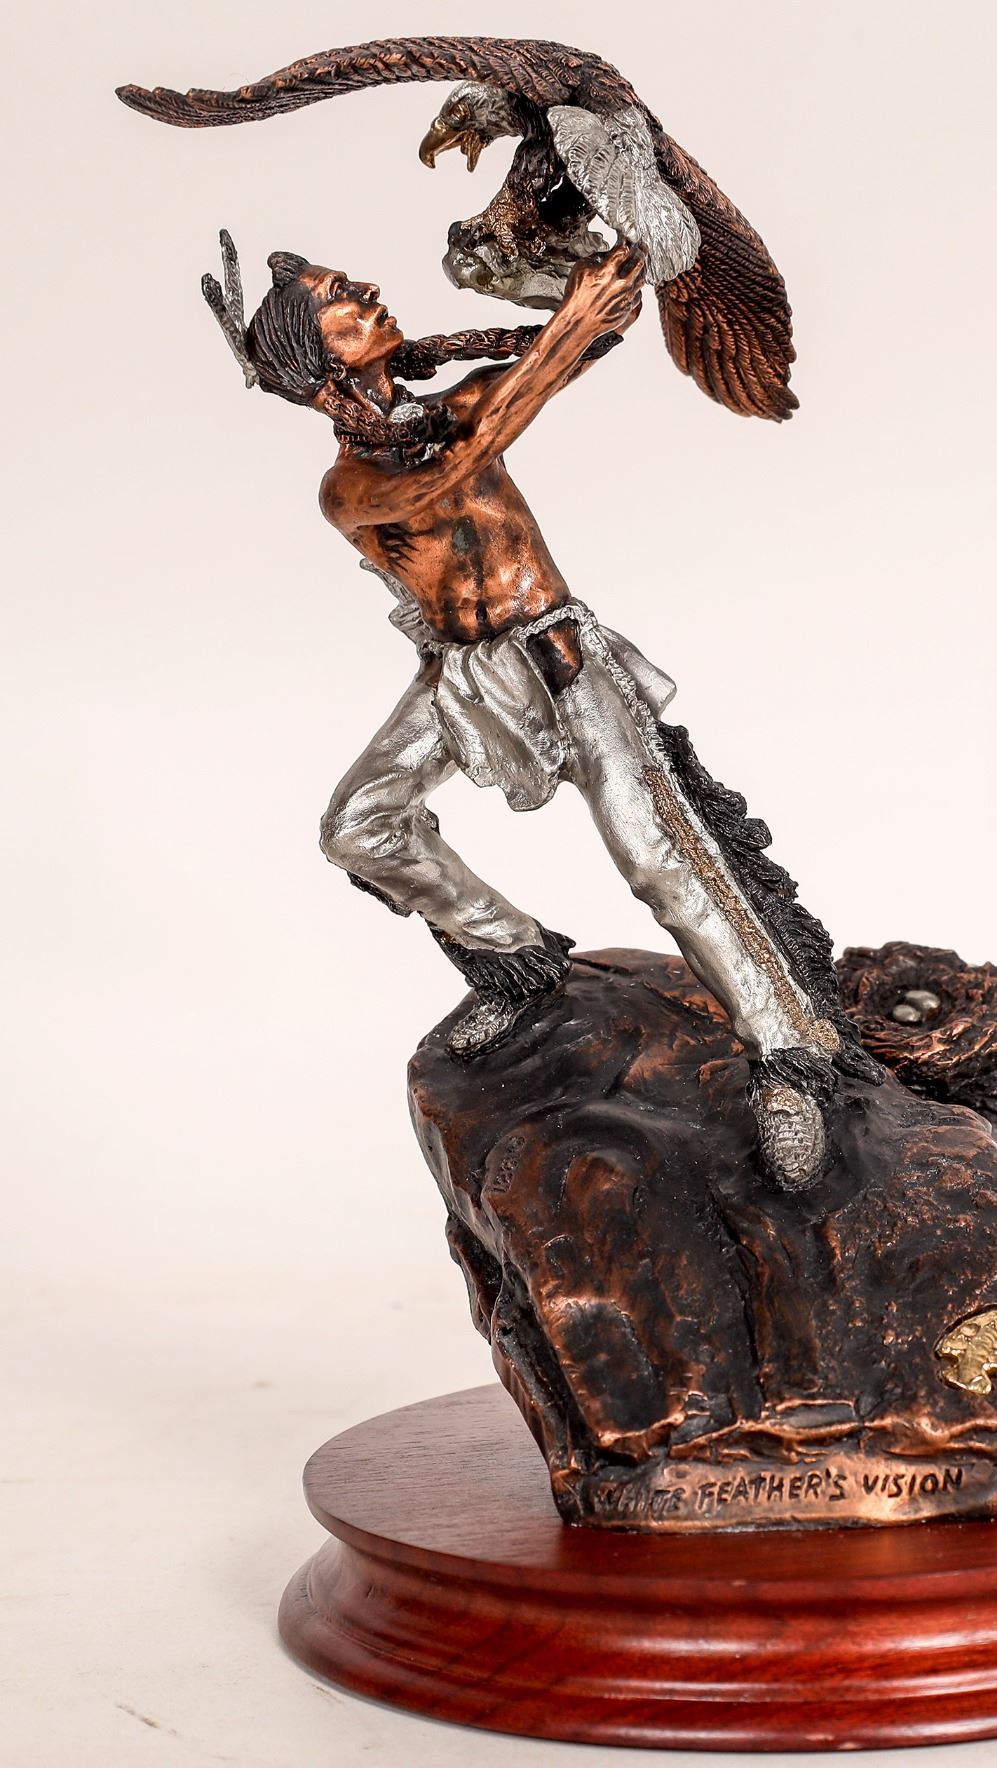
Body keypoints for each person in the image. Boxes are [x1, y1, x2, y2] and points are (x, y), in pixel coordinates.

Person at [208, 236, 876, 1187]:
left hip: (563, 660)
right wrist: (567, 326)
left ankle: (789, 1058)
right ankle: (515, 959)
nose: (367, 289)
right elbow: (461, 465)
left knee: (659, 857)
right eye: (339, 296)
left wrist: (580, 288)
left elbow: (563, 360)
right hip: (464, 676)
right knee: (360, 825)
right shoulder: (349, 487)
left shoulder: (453, 406)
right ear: (317, 356)